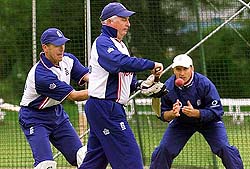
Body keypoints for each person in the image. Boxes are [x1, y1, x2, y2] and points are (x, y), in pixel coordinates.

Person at [81, 2, 166, 169]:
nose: (128, 23)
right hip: (105, 107)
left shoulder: (120, 45)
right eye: (123, 19)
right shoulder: (103, 42)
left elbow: (122, 79)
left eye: (128, 19)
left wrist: (141, 84)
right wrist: (150, 64)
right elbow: (118, 63)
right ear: (108, 22)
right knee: (131, 159)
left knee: (95, 162)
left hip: (106, 108)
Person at [150, 54, 244, 169]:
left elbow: (217, 111)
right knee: (163, 150)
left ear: (192, 68)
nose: (182, 73)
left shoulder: (204, 84)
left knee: (224, 148)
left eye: (185, 69)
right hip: (182, 122)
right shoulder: (167, 87)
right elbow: (162, 114)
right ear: (173, 70)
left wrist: (197, 113)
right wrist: (173, 113)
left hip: (209, 123)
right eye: (178, 69)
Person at [19, 28, 89, 169]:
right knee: (46, 165)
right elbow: (74, 96)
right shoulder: (42, 75)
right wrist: (103, 91)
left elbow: (87, 77)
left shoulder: (68, 60)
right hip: (34, 117)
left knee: (83, 157)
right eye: (57, 45)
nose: (61, 48)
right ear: (45, 47)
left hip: (57, 114)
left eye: (63, 43)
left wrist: (106, 84)